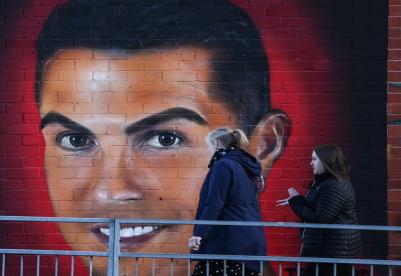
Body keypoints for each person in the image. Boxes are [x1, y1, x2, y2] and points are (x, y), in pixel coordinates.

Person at [36, 0, 290, 274]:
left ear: (263, 146)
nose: (110, 191)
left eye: (165, 139)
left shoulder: (227, 167)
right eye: (75, 140)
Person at [188, 128, 266, 276]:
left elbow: (214, 203)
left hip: (227, 241)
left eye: (209, 146)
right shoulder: (246, 166)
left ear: (216, 143)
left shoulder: (223, 165)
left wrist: (199, 234)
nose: (209, 151)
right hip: (249, 238)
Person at [277, 144, 361, 276]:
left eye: (314, 159)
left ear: (326, 161)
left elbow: (320, 218)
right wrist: (296, 199)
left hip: (332, 253)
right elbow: (319, 208)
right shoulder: (326, 183)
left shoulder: (333, 186)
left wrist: (296, 201)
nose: (311, 163)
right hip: (330, 251)